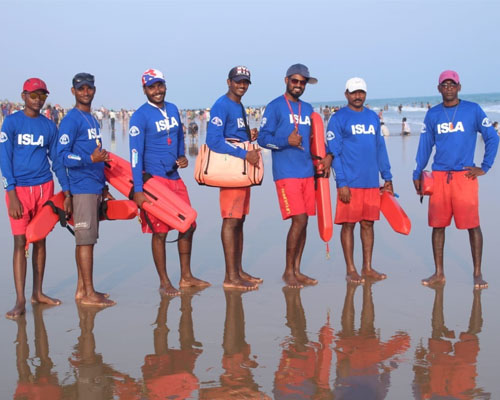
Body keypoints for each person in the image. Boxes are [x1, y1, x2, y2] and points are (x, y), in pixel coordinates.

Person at [413, 70, 499, 289]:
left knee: (473, 225)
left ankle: (477, 273)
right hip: (440, 177)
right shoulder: (433, 114)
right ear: (439, 88)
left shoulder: (473, 110)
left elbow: (492, 137)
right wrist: (417, 172)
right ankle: (439, 273)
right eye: (445, 85)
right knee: (438, 225)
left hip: (465, 177)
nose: (449, 88)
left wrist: (485, 166)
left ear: (459, 87)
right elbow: (425, 145)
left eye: (452, 84)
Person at [129, 68, 209, 297]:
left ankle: (186, 276)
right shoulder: (140, 116)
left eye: (160, 85)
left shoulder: (173, 109)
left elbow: (180, 136)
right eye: (152, 87)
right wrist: (138, 190)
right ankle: (164, 282)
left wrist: (182, 155)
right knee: (160, 232)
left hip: (174, 177)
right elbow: (135, 154)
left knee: (188, 224)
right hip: (154, 182)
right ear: (144, 89)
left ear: (165, 86)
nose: (157, 90)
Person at [0, 78, 71, 319]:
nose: (38, 99)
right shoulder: (11, 123)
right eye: (33, 95)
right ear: (23, 96)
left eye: (42, 95)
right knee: (20, 242)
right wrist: (11, 193)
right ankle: (20, 300)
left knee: (40, 240)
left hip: (44, 188)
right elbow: (4, 160)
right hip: (19, 191)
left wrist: (67, 191)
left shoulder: (49, 126)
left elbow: (57, 161)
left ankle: (37, 293)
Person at [258, 64, 332, 288]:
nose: (298, 85)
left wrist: (328, 156)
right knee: (298, 219)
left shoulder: (308, 109)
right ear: (286, 80)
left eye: (302, 82)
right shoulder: (275, 106)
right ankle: (287, 272)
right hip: (286, 173)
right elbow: (263, 139)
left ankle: (297, 270)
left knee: (304, 221)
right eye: (295, 81)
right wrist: (285, 141)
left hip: (307, 172)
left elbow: (316, 140)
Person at [327, 77, 393, 284]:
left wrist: (387, 177)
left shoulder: (372, 117)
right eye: (354, 92)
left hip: (371, 182)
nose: (358, 96)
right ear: (346, 94)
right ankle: (351, 269)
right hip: (350, 182)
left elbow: (380, 148)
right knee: (348, 225)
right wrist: (341, 183)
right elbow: (334, 152)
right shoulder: (338, 119)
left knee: (368, 224)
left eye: (361, 92)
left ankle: (367, 267)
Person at [57, 72, 115, 307]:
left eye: (89, 88)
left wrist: (104, 186)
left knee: (87, 239)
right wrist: (88, 159)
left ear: (94, 90)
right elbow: (62, 156)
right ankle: (89, 293)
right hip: (81, 187)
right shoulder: (71, 120)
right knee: (85, 241)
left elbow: (98, 154)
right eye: (81, 88)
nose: (85, 92)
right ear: (73, 91)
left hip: (94, 186)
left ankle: (82, 290)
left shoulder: (91, 118)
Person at [206, 66, 262, 290]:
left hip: (242, 171)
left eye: (245, 82)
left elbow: (233, 135)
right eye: (238, 81)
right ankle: (230, 277)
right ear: (228, 82)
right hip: (231, 170)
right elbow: (213, 140)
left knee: (240, 220)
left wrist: (249, 136)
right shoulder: (222, 105)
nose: (242, 85)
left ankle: (238, 270)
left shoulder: (238, 105)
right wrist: (244, 153)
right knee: (230, 220)